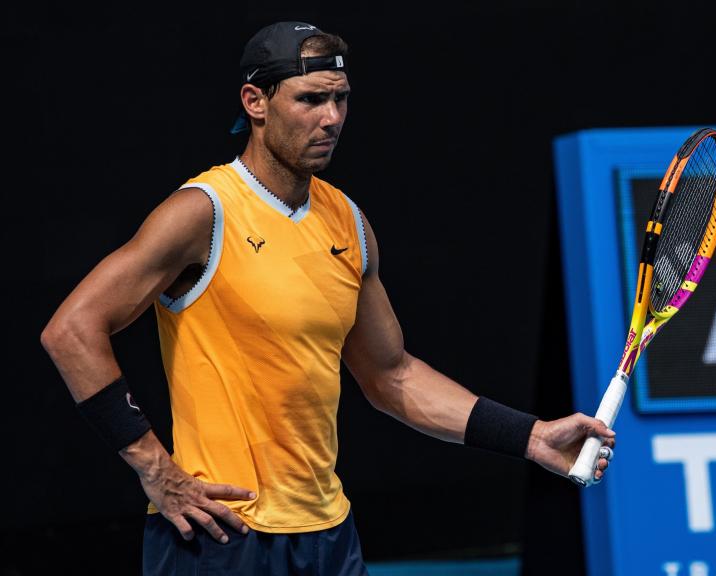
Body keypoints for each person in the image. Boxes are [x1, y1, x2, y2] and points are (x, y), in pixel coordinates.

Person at [40, 21, 615, 575]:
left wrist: (532, 436)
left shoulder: (348, 222)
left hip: (326, 536)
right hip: (220, 535)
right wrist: (155, 469)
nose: (332, 118)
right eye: (311, 99)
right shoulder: (203, 212)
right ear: (255, 101)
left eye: (340, 100)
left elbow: (393, 376)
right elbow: (71, 331)